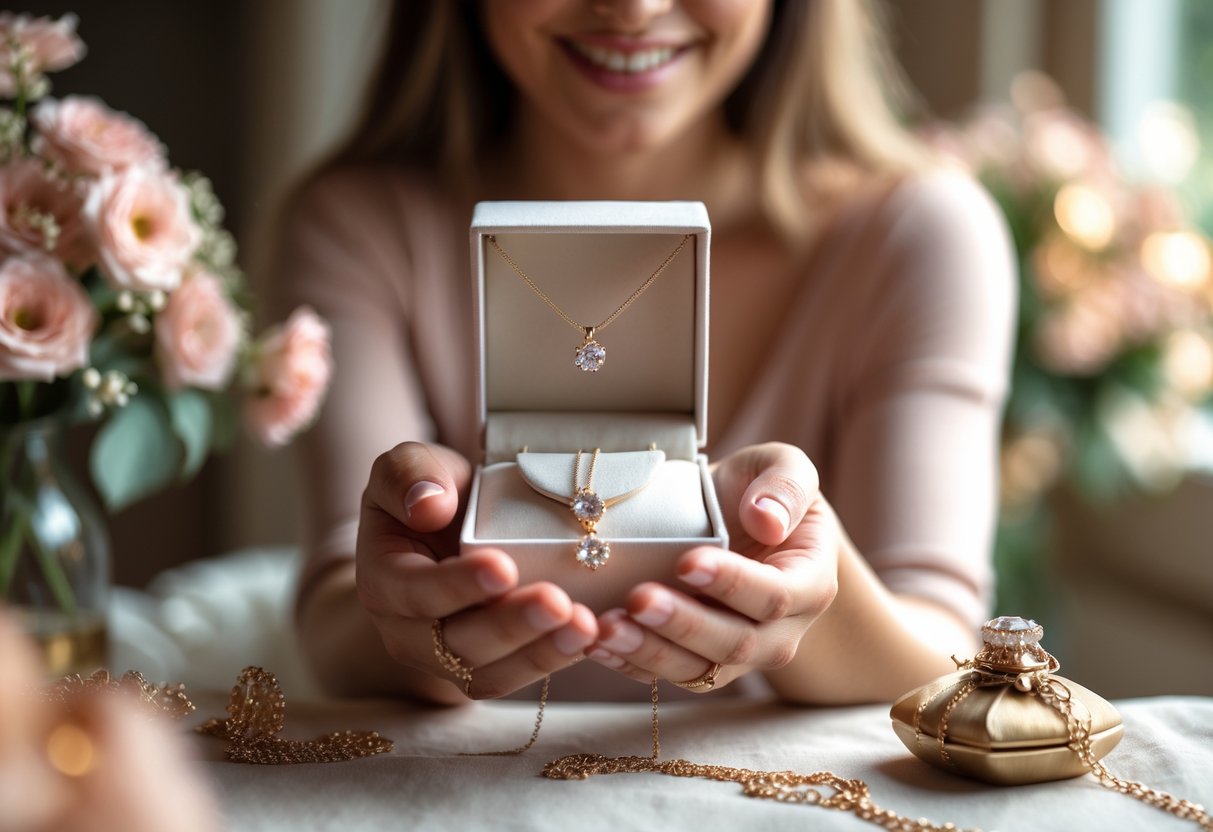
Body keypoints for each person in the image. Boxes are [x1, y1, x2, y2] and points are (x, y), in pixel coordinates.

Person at [273, 0, 1015, 705]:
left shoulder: (918, 235)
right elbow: (340, 613)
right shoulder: (356, 226)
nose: (632, 8)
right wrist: (409, 623)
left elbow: (945, 653)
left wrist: (806, 594)